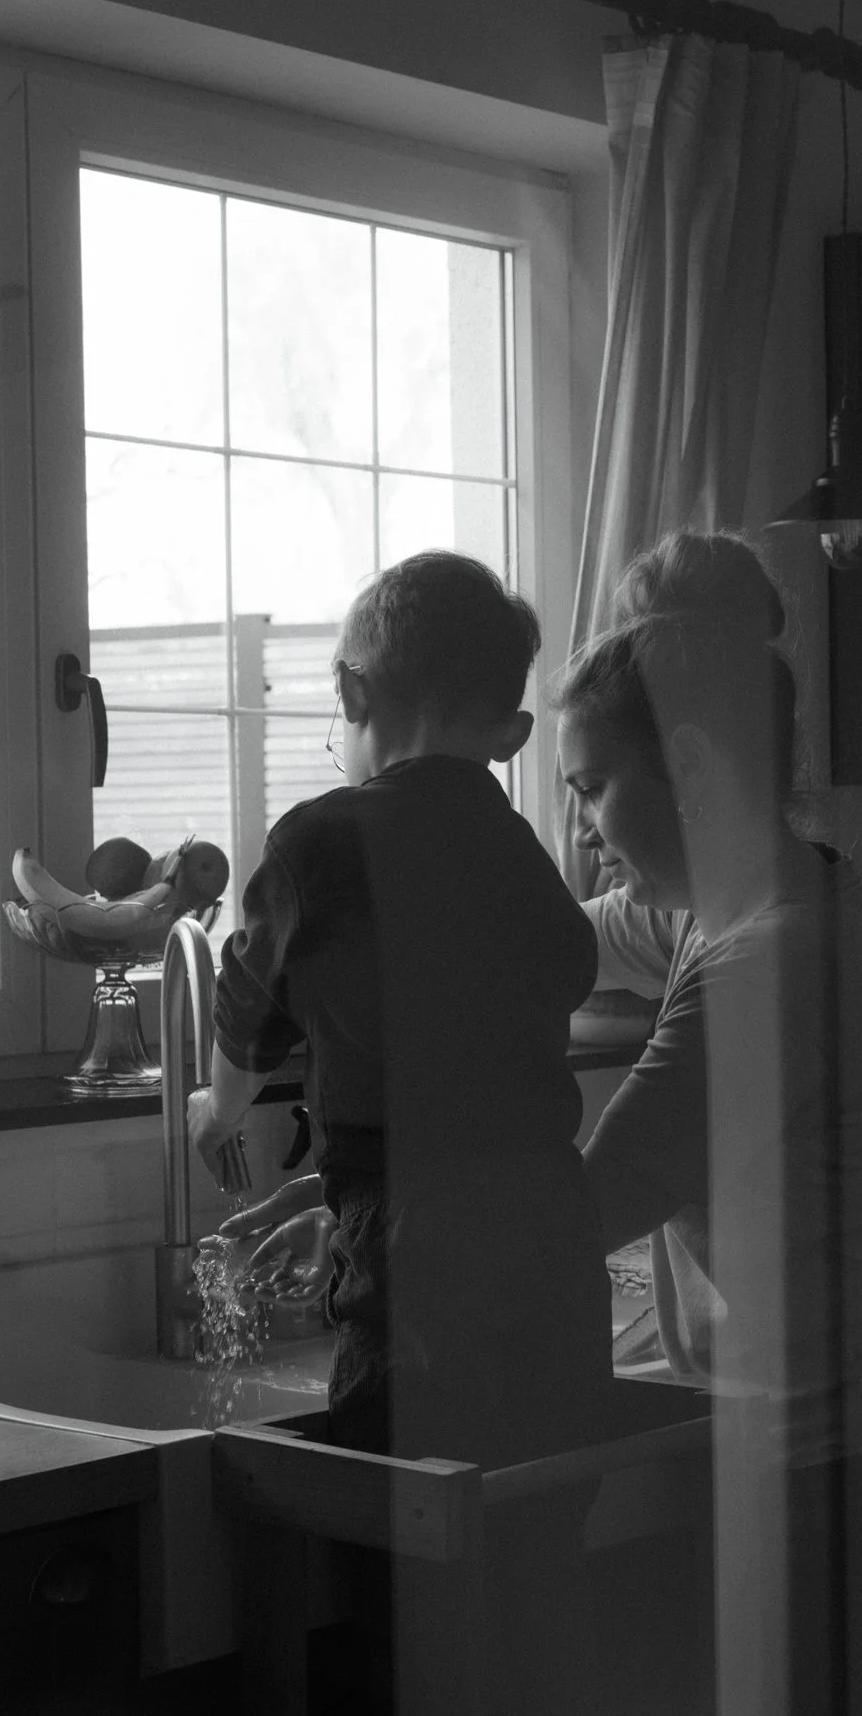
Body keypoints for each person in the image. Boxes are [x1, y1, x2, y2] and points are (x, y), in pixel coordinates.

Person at [554, 531, 862, 1462]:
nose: (583, 832)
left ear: (696, 768)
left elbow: (595, 1203)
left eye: (590, 790)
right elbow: (542, 943)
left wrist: (379, 1221)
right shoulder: (728, 908)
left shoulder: (767, 957)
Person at [189, 550, 612, 1470]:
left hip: (415, 1240)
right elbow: (568, 967)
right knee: (537, 1517)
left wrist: (218, 1109)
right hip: (552, 1229)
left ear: (350, 691)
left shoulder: (319, 842)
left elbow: (250, 1001)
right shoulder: (514, 849)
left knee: (411, 1517)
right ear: (512, 731)